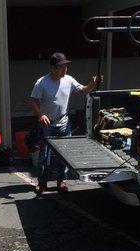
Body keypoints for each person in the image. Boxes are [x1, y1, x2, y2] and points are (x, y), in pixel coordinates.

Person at [29, 52, 100, 195]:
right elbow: (33, 100)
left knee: (64, 154)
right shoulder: (42, 82)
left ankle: (62, 180)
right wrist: (40, 114)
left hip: (63, 122)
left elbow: (82, 90)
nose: (65, 69)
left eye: (66, 66)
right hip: (47, 124)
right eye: (62, 67)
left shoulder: (68, 80)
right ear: (53, 68)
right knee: (44, 155)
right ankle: (42, 182)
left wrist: (92, 84)